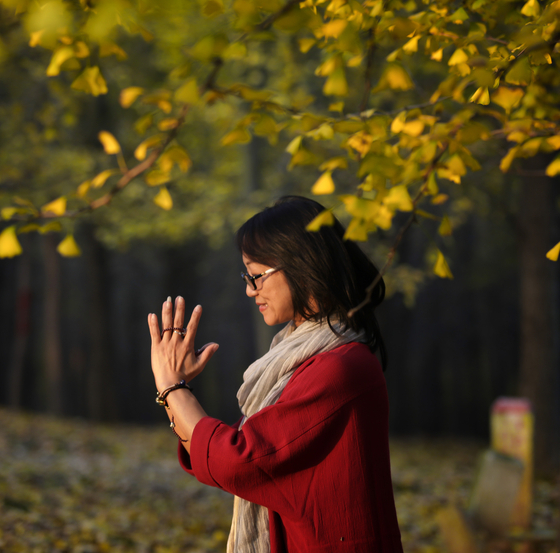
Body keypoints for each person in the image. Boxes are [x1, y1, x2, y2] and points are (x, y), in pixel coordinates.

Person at [148, 196, 403, 553]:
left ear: (301, 264)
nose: (250, 289)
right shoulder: (304, 359)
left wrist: (172, 388)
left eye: (257, 275)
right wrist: (173, 390)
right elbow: (233, 459)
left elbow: (239, 461)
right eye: (246, 276)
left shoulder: (339, 368)